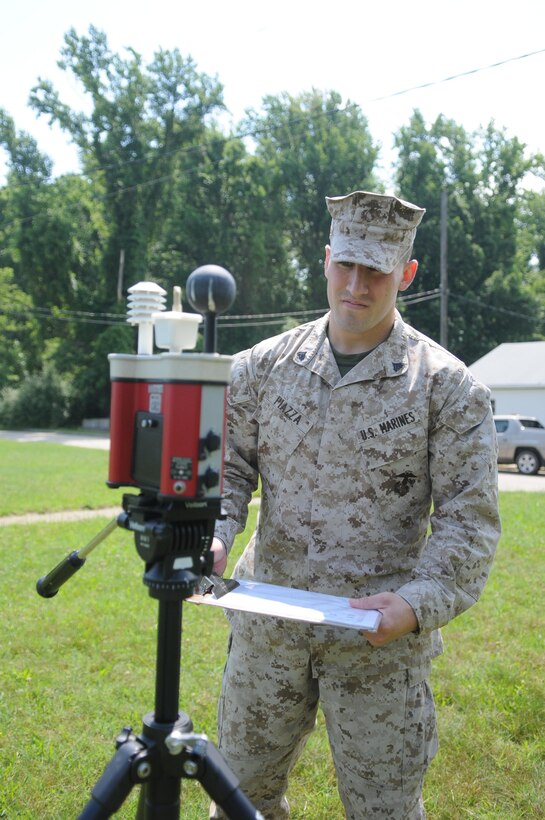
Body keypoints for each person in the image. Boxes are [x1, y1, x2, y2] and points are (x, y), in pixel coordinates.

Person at [209, 190, 501, 819]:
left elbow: (467, 524)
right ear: (325, 259)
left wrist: (416, 604)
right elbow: (226, 471)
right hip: (270, 625)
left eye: (376, 270)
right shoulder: (260, 368)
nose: (357, 284)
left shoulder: (448, 390)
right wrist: (216, 531)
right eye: (346, 264)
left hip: (377, 641)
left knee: (383, 812)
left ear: (407, 273)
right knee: (239, 800)